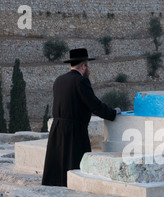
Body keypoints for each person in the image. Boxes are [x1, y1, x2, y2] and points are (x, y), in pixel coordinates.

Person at [42, 48, 121, 187]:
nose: (89, 69)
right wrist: (113, 113)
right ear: (83, 66)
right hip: (74, 131)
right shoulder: (81, 81)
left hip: (57, 129)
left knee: (58, 165)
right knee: (74, 166)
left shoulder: (59, 80)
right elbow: (94, 105)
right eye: (88, 66)